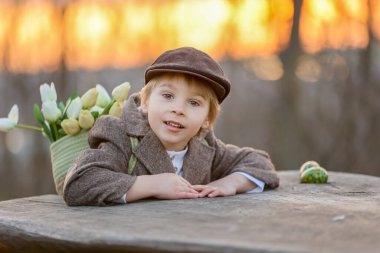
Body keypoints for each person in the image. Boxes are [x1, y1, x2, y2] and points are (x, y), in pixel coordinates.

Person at [63, 47, 280, 206]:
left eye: (194, 103)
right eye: (167, 96)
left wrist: (231, 183)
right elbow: (79, 183)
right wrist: (152, 185)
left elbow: (261, 163)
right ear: (146, 102)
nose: (178, 109)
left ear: (206, 119)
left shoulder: (204, 145)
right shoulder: (120, 135)